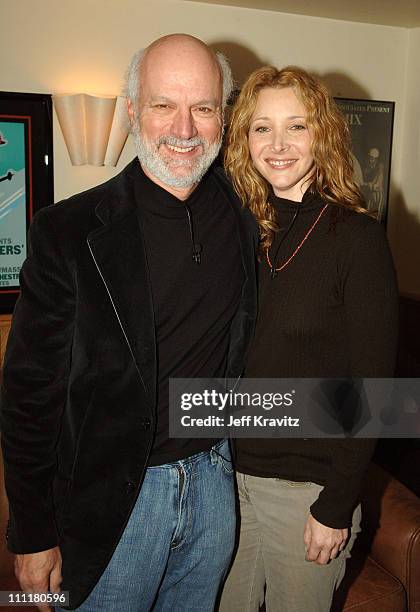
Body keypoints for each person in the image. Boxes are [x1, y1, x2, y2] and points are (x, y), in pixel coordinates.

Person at [0, 34, 257, 612]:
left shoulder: (244, 212)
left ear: (223, 114)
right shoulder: (65, 232)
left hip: (215, 488)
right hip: (115, 505)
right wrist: (34, 533)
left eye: (204, 107)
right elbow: (28, 393)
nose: (185, 129)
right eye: (165, 105)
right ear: (133, 110)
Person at [219, 66, 398, 612]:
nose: (278, 144)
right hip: (226, 481)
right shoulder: (239, 229)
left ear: (323, 133)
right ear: (242, 138)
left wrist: (337, 505)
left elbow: (374, 390)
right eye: (261, 127)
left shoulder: (357, 239)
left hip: (305, 494)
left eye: (296, 126)